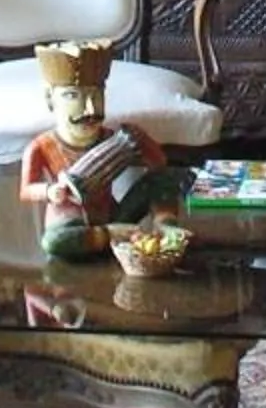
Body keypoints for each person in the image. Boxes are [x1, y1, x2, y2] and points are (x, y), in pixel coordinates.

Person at [18, 40, 171, 259]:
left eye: (97, 96)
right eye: (73, 96)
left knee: (164, 179)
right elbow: (26, 190)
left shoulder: (111, 138)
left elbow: (159, 164)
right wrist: (49, 191)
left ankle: (167, 232)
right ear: (50, 100)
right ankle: (109, 237)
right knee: (54, 242)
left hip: (112, 215)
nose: (90, 108)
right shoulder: (41, 146)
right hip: (69, 223)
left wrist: (143, 142)